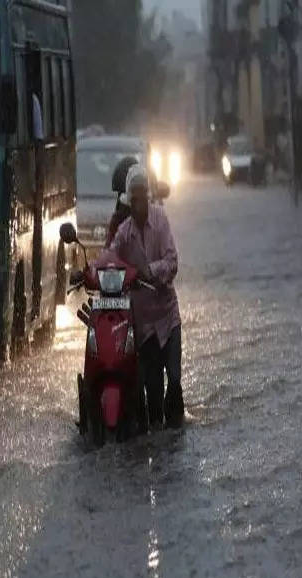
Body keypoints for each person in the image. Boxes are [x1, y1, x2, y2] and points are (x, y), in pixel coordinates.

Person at [106, 165, 183, 429]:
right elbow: (110, 258)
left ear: (147, 196)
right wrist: (88, 272)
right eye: (134, 198)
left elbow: (172, 261)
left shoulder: (161, 220)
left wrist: (149, 271)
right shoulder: (124, 232)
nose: (139, 203)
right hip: (144, 326)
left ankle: (176, 437)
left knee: (173, 380)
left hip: (167, 317)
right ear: (130, 200)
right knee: (153, 395)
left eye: (142, 196)